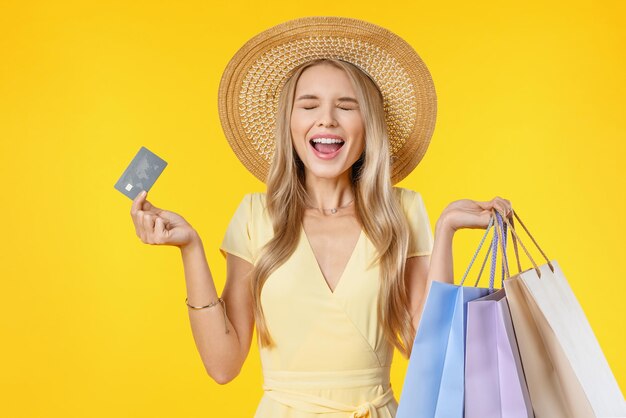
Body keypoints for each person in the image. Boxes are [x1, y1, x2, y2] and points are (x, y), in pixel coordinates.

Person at [129, 17, 513, 418]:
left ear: (368, 127)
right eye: (309, 105)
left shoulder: (401, 212)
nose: (327, 119)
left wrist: (446, 229)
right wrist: (190, 248)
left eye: (346, 107)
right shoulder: (255, 216)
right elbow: (223, 366)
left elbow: (430, 354)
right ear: (290, 125)